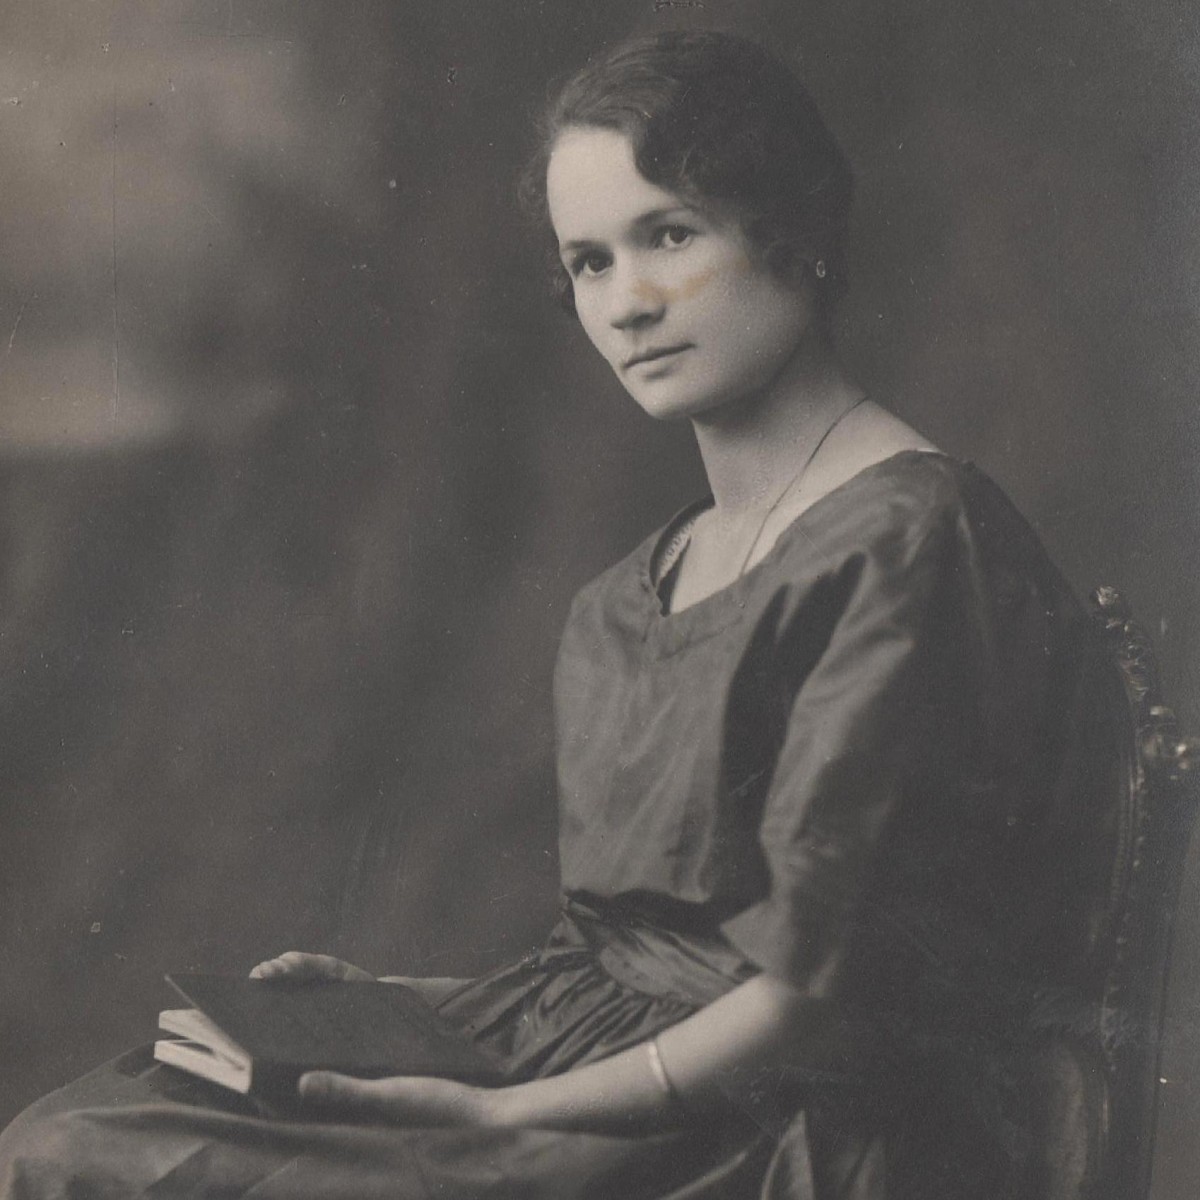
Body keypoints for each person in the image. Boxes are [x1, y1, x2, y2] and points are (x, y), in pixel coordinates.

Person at [0, 30, 1116, 1200]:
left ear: (794, 234)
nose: (628, 303)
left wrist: (506, 1112)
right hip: (616, 1075)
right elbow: (622, 967)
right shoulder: (631, 591)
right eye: (589, 262)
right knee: (91, 1124)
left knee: (104, 1166)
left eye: (670, 235)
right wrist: (391, 1008)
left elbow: (813, 1003)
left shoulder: (907, 538)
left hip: (784, 1127)